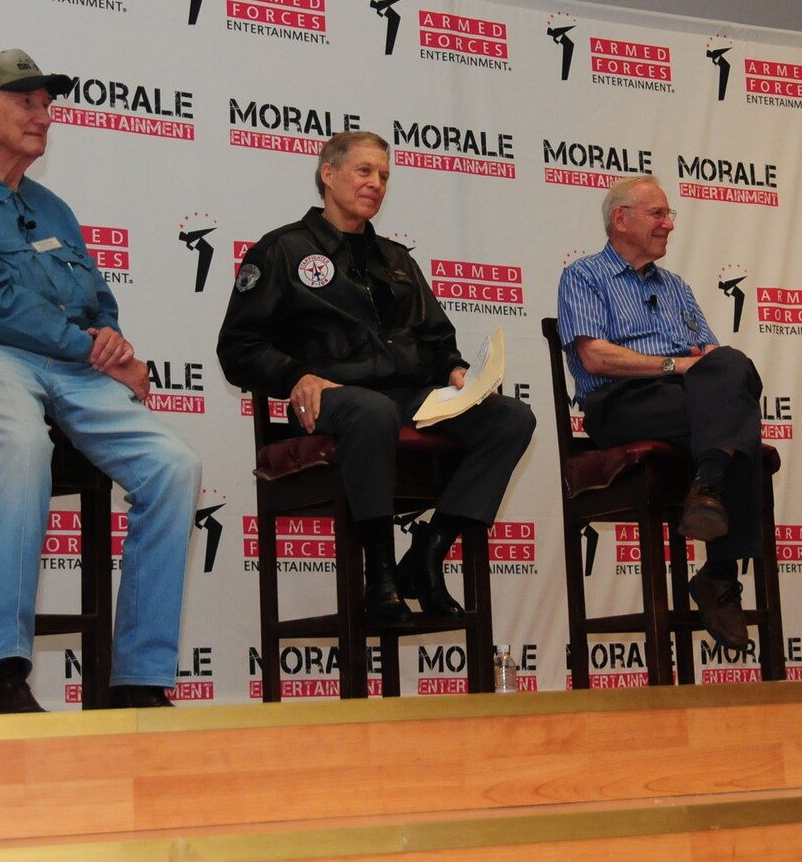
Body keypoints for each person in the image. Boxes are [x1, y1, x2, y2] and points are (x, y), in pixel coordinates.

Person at [0, 49, 200, 713]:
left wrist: (109, 338)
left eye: (46, 104)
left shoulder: (53, 208)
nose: (43, 115)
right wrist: (90, 348)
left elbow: (96, 299)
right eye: (26, 102)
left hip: (66, 364)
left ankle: (137, 678)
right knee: (22, 446)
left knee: (174, 466)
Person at [217, 131, 536, 625]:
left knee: (511, 417)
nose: (376, 184)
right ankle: (381, 576)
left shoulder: (396, 259)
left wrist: (454, 369)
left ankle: (428, 552)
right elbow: (238, 348)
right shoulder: (281, 250)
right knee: (372, 409)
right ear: (328, 174)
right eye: (364, 171)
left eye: (384, 176)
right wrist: (296, 375)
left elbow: (436, 340)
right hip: (332, 401)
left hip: (410, 398)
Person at [555, 174, 769, 651]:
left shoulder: (676, 287)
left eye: (669, 215)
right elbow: (595, 357)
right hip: (620, 404)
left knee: (733, 366)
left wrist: (704, 364)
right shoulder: (584, 276)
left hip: (686, 400)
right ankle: (719, 574)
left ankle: (706, 485)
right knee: (738, 425)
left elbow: (713, 360)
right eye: (658, 214)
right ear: (620, 219)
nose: (669, 224)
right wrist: (675, 364)